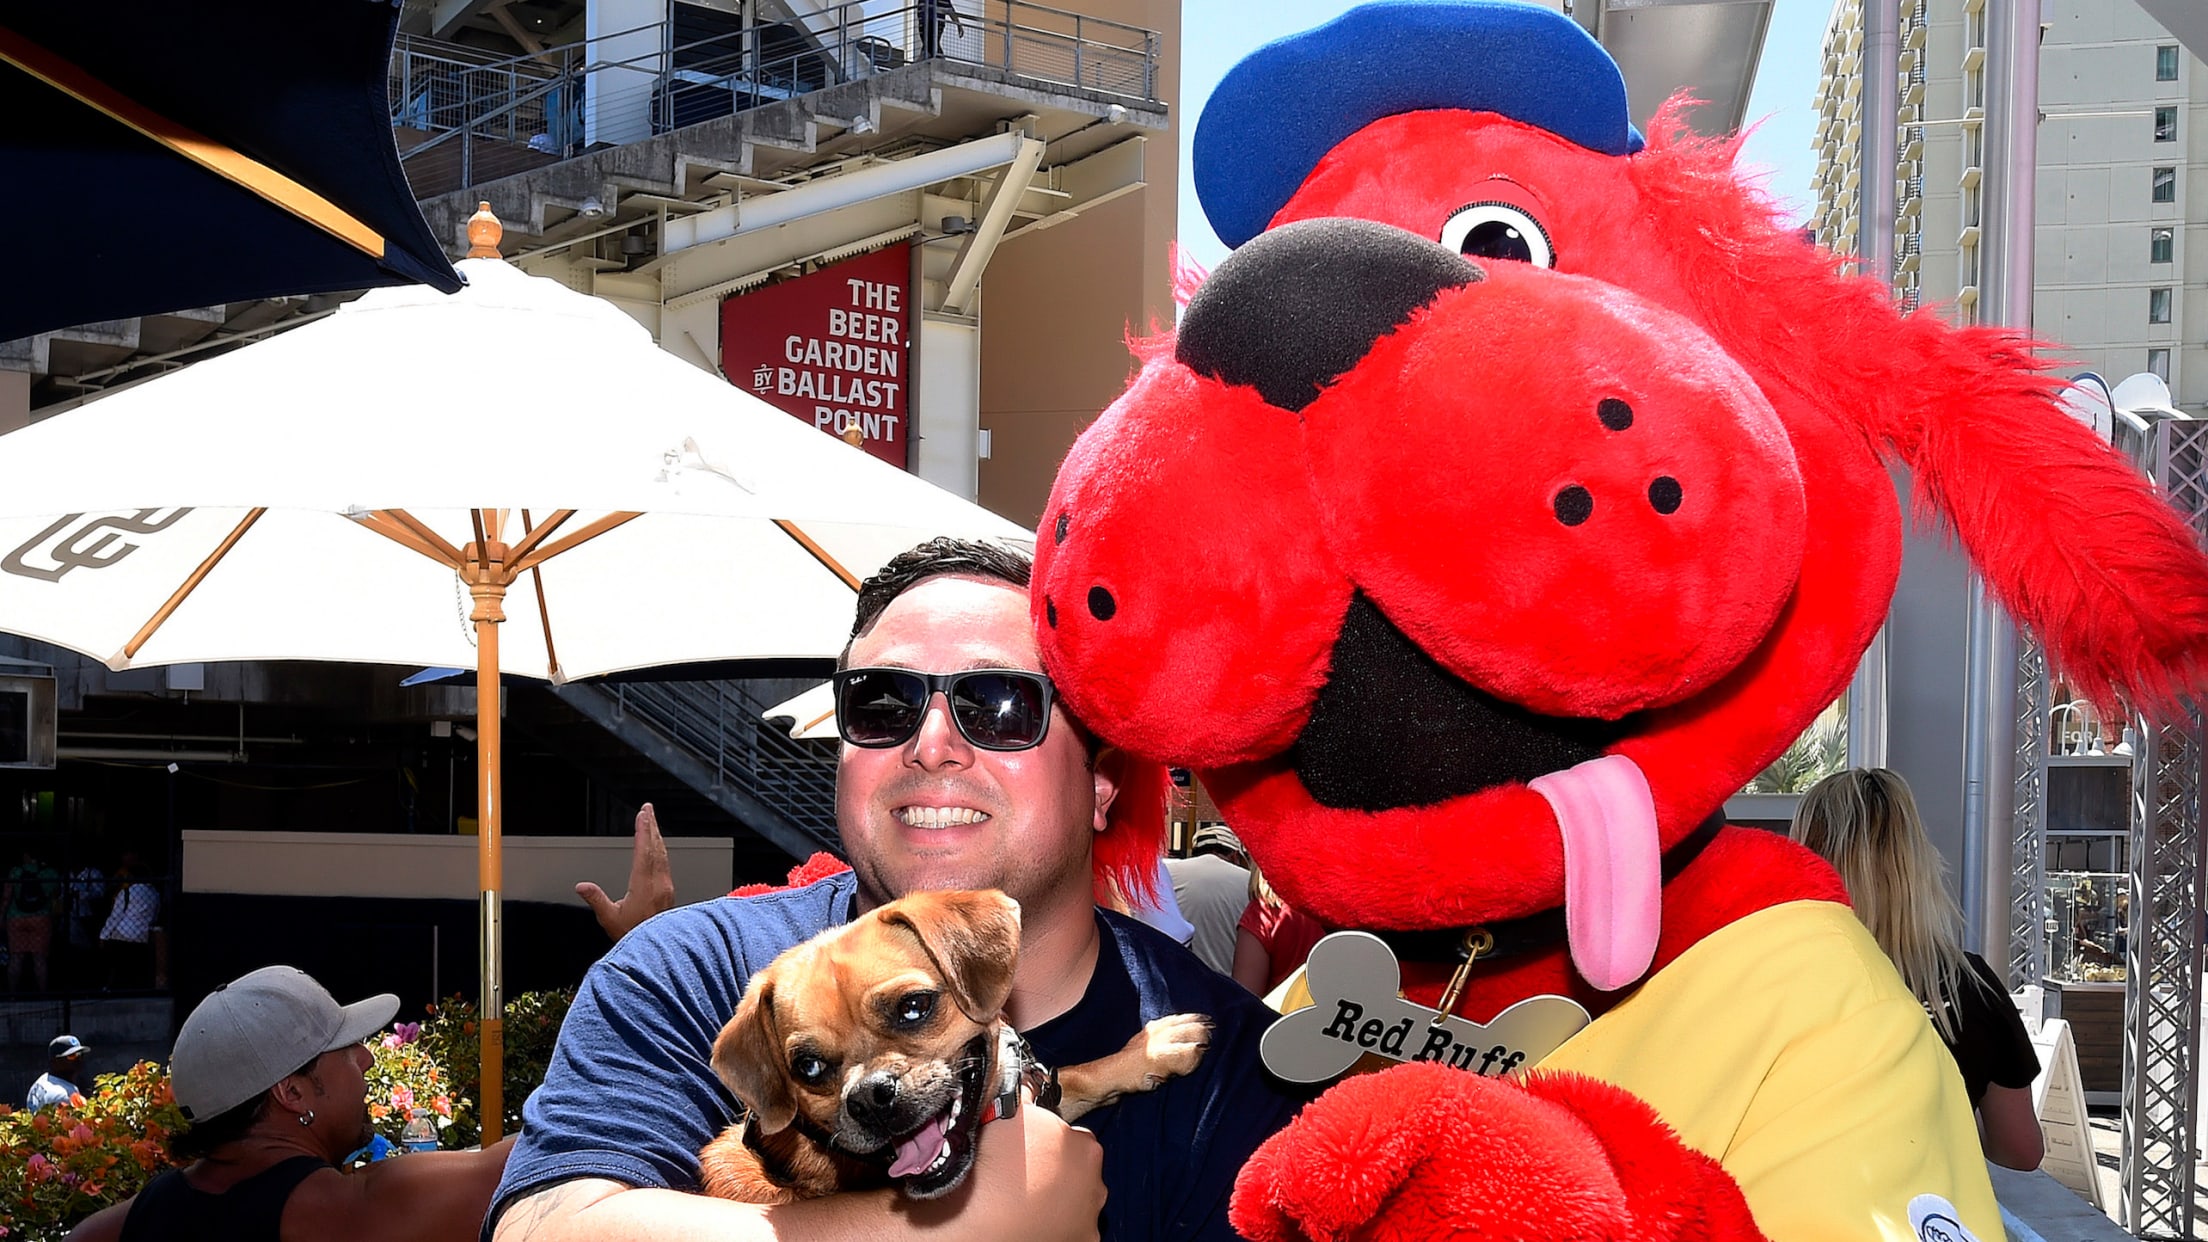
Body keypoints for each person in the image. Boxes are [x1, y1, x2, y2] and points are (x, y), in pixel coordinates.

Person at [488, 537, 1301, 1242]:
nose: (932, 743)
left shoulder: (1242, 1069)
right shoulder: (689, 973)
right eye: (882, 703)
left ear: (1100, 784)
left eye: (1000, 703)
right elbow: (541, 1225)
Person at [65, 965, 515, 1242]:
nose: (367, 1057)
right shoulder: (345, 1211)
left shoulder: (121, 1226)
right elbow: (541, 1155)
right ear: (293, 1092)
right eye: (343, 1050)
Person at [1791, 768, 2044, 1171]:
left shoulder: (1778, 981)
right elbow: (2020, 1150)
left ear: (1807, 855)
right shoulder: (1971, 986)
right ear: (1915, 860)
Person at [1164, 826, 1251, 976]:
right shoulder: (1248, 882)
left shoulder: (1167, 875)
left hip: (1175, 982)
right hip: (1229, 989)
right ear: (1235, 855)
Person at [1232, 866, 1327, 998]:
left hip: (1282, 1015)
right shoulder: (1336, 907)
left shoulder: (1263, 915)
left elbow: (1246, 997)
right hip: (1339, 1011)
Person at [5, 847, 62, 992]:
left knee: (16, 958)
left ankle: (12, 995)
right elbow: (56, 897)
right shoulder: (50, 873)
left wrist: (2, 916)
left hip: (15, 917)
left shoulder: (15, 871)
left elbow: (6, 897)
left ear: (26, 855)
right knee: (40, 959)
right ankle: (43, 995)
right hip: (41, 918)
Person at [99, 858, 160, 990]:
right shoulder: (154, 894)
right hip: (142, 936)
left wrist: (104, 935)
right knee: (135, 968)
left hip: (122, 935)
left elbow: (116, 916)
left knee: (115, 965)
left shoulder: (127, 892)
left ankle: (110, 987)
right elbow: (155, 915)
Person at [27, 1034, 90, 1112]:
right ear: (55, 1061)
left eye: (80, 1054)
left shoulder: (42, 1080)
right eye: (72, 1055)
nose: (78, 1059)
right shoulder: (63, 1096)